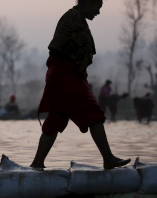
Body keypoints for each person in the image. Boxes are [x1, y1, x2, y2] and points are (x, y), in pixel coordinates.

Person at [29, 0, 130, 170]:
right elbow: (67, 50)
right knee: (94, 114)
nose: (97, 13)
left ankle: (37, 163)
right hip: (66, 76)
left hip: (62, 76)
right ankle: (108, 158)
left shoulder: (76, 18)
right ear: (87, 3)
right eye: (97, 8)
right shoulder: (73, 19)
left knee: (56, 117)